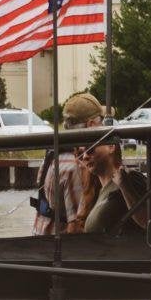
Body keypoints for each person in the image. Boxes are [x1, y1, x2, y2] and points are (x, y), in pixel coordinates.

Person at [32, 93, 108, 236]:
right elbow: (76, 227)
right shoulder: (76, 167)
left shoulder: (52, 155)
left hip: (40, 240)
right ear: (91, 125)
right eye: (101, 121)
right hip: (60, 250)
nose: (103, 126)